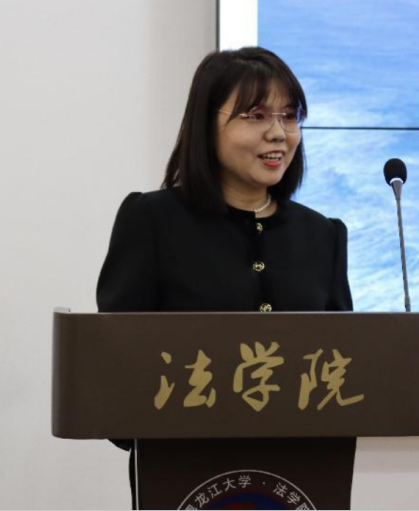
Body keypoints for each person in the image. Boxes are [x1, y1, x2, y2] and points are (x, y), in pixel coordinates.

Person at [96, 47, 354, 509]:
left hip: (303, 473)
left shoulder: (323, 235)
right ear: (206, 125)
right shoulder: (152, 220)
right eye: (256, 116)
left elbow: (343, 364)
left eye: (290, 116)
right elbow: (118, 359)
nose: (279, 133)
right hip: (183, 473)